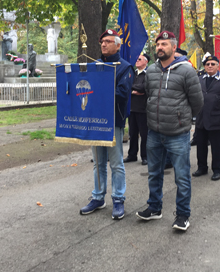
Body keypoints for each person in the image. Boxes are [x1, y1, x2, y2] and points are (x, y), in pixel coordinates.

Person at [136, 31, 203, 231]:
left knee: (182, 176)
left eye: (164, 44)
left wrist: (182, 118)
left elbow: (198, 102)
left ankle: (183, 215)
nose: (160, 48)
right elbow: (149, 94)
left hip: (178, 134)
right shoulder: (151, 71)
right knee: (154, 173)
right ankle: (155, 208)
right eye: (158, 45)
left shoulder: (187, 71)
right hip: (154, 132)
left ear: (174, 47)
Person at [80, 29, 134, 220]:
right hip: (95, 122)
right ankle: (98, 197)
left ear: (118, 45)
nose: (103, 44)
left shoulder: (125, 67)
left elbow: (122, 94)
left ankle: (118, 199)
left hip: (114, 122)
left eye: (108, 41)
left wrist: (99, 92)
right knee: (98, 163)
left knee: (117, 163)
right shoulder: (95, 66)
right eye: (102, 41)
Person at [192, 55, 220, 181]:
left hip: (216, 120)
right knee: (201, 145)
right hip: (201, 119)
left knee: (216, 147)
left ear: (218, 66)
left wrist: (218, 112)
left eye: (213, 64)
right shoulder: (199, 79)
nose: (210, 66)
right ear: (204, 66)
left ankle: (217, 169)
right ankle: (202, 167)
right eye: (207, 64)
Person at [124, 53, 150, 166]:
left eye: (139, 59)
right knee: (132, 133)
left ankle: (145, 156)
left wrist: (134, 89)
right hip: (132, 108)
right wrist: (135, 90)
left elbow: (144, 88)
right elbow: (126, 86)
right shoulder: (133, 73)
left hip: (143, 108)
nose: (137, 61)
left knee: (144, 134)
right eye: (136, 59)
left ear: (146, 61)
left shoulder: (148, 74)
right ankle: (132, 155)